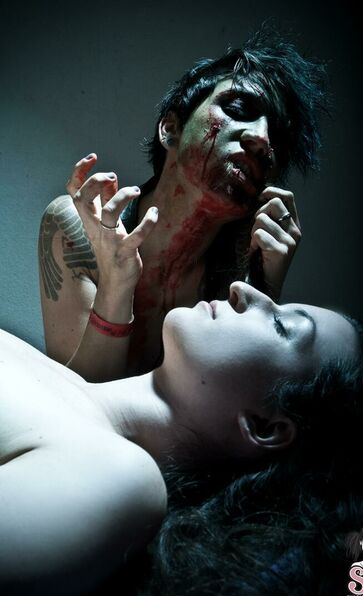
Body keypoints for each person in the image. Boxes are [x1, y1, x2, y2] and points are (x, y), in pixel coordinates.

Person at [0, 280, 363, 596]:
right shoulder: (72, 391)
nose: (242, 290)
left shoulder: (119, 476)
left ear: (264, 427)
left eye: (282, 326)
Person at [38, 24, 327, 379]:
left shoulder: (244, 267)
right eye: (238, 107)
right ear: (171, 129)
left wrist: (265, 293)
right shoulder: (79, 226)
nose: (263, 140)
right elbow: (76, 399)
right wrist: (116, 284)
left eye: (276, 141)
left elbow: (232, 404)